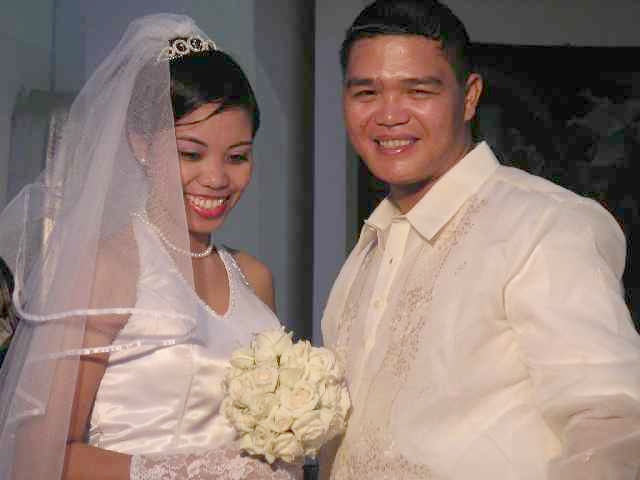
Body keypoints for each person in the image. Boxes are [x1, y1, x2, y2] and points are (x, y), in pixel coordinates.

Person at [321, 1, 640, 479]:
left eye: (418, 90)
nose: (388, 115)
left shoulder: (545, 225)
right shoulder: (370, 246)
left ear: (469, 97)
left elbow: (612, 420)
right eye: (366, 92)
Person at [0, 14, 300, 480]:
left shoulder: (255, 278)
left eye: (237, 157)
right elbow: (40, 455)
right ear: (140, 143)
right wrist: (193, 473)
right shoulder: (108, 268)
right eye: (190, 153)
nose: (217, 178)